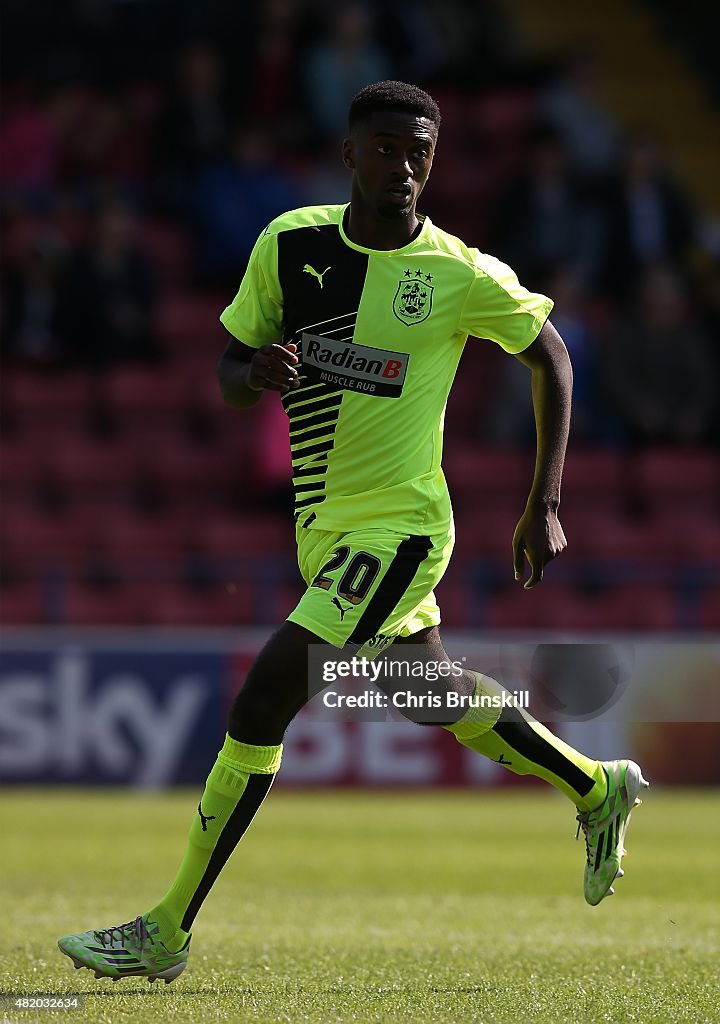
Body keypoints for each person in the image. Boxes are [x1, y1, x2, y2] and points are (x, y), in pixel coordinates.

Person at [58, 81, 648, 985]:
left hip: (403, 528)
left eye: (419, 152)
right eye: (385, 148)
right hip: (326, 532)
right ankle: (595, 785)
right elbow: (224, 369)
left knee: (262, 702)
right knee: (425, 690)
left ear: (433, 161)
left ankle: (166, 929)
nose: (403, 167)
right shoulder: (291, 246)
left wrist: (546, 501)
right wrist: (252, 371)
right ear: (350, 155)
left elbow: (551, 354)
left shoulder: (457, 272)